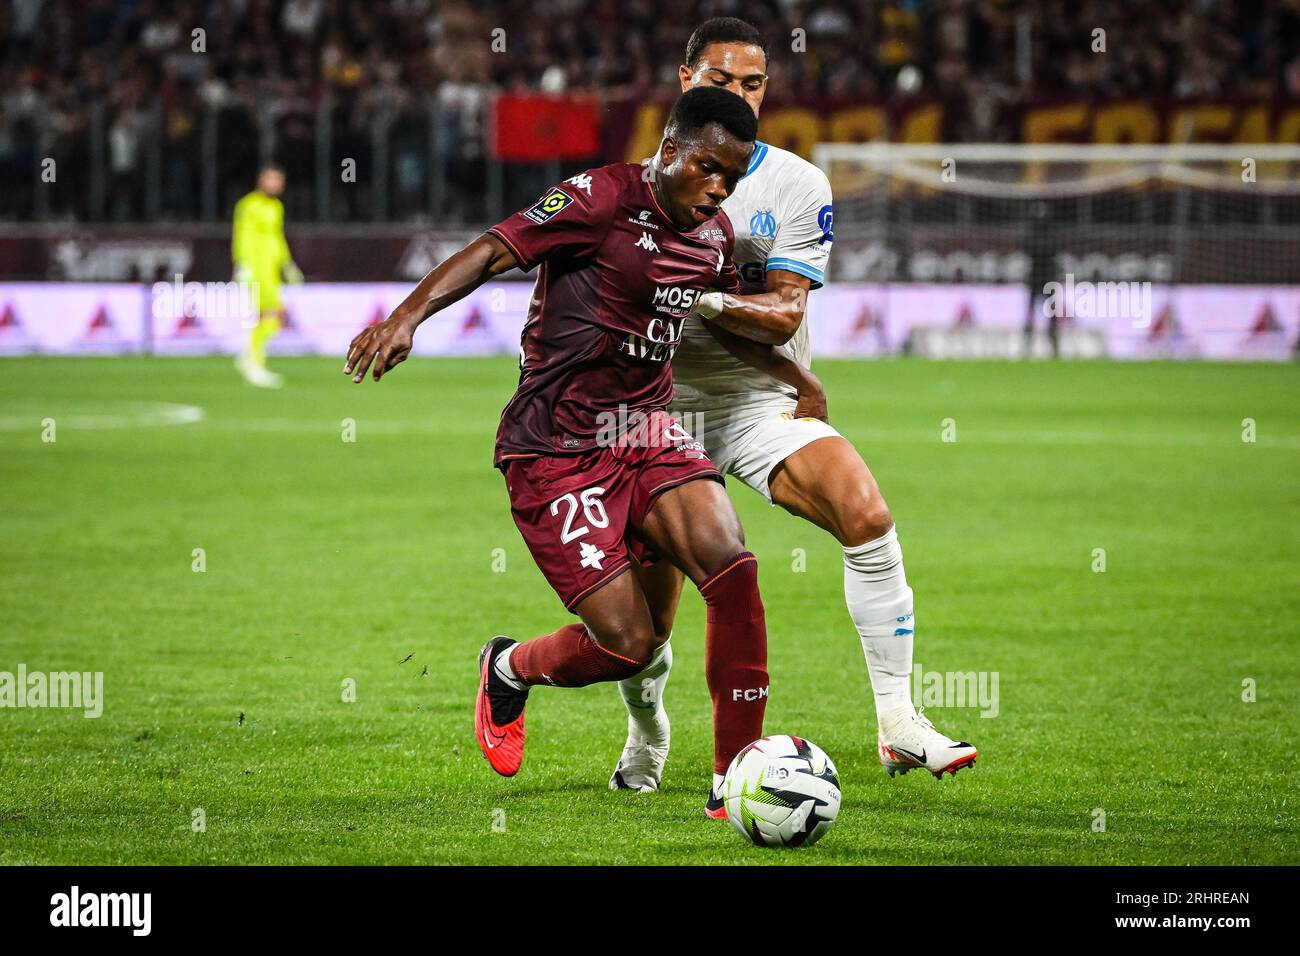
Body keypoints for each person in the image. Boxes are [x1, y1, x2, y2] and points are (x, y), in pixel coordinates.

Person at [343, 88, 774, 801]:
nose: (718, 188)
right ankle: (509, 667)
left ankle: (738, 778)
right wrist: (407, 316)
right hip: (554, 450)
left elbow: (725, 325)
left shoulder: (715, 236)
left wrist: (795, 380)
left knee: (733, 569)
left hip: (646, 429)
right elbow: (492, 251)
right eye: (707, 167)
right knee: (629, 643)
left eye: (732, 176)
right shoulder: (598, 198)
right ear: (669, 151)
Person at [607, 18, 977, 806]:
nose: (737, 94)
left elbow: (782, 312)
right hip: (657, 412)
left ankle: (898, 720)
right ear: (684, 79)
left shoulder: (797, 184)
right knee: (649, 627)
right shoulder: (632, 186)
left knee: (867, 513)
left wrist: (691, 294)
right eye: (720, 80)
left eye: (752, 83)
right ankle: (646, 733)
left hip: (758, 399)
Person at [232, 165, 303, 388]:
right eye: (271, 179)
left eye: (278, 180)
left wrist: (288, 264)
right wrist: (242, 264)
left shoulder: (276, 206)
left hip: (271, 270)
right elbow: (241, 235)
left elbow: (277, 238)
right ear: (261, 181)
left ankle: (249, 358)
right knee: (269, 315)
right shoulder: (248, 205)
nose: (275, 184)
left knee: (272, 316)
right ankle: (253, 362)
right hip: (256, 268)